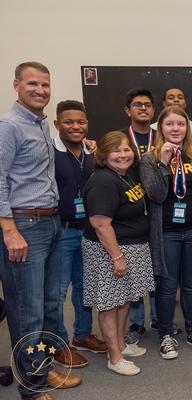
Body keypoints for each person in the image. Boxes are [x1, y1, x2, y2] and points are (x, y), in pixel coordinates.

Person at [0, 61, 81, 399]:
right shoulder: (9, 126)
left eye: (45, 85)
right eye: (33, 84)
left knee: (49, 305)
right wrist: (8, 230)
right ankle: (31, 388)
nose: (40, 90)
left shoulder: (41, 124)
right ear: (17, 84)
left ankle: (43, 371)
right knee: (27, 311)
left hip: (50, 223)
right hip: (24, 225)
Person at [140, 106, 192, 359]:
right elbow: (156, 195)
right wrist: (163, 163)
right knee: (167, 286)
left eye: (180, 124)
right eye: (170, 124)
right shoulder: (150, 159)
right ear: (160, 128)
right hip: (166, 234)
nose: (175, 129)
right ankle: (166, 335)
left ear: (188, 128)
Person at [82, 131, 155, 376]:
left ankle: (122, 344)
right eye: (116, 150)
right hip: (111, 250)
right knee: (110, 304)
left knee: (124, 300)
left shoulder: (125, 175)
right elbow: (101, 224)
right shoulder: (103, 180)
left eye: (126, 149)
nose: (123, 154)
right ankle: (114, 356)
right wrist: (116, 256)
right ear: (103, 154)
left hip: (131, 247)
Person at [52, 100, 107, 370]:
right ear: (57, 124)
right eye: (69, 122)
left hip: (87, 230)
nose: (76, 126)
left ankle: (83, 335)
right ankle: (59, 344)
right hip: (61, 231)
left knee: (85, 289)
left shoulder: (91, 151)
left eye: (81, 122)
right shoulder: (49, 150)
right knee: (58, 291)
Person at [120, 87, 158, 343]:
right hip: (131, 210)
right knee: (133, 271)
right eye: (137, 105)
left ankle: (158, 317)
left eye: (147, 105)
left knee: (156, 268)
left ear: (153, 110)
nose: (143, 108)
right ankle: (136, 322)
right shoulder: (120, 139)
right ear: (128, 110)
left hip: (159, 208)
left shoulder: (163, 136)